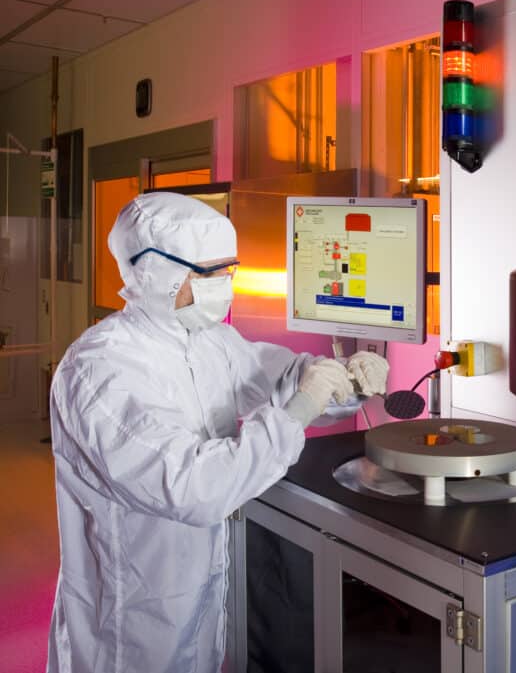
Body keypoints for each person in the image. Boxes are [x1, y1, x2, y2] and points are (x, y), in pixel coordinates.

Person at [46, 192, 389, 673]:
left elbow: (277, 376)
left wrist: (340, 378)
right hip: (128, 628)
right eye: (207, 273)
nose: (222, 285)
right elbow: (192, 487)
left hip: (199, 606)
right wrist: (300, 408)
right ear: (154, 272)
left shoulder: (209, 340)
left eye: (228, 269)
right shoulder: (101, 370)